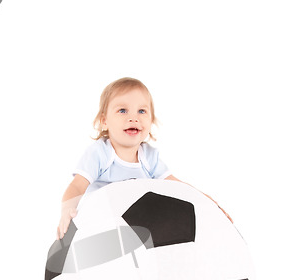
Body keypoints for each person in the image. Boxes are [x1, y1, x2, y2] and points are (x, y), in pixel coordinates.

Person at [57, 77, 232, 240]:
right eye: (122, 110)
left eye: (142, 111)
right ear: (104, 121)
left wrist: (208, 201)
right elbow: (78, 185)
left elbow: (177, 186)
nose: (133, 118)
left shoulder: (149, 157)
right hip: (101, 223)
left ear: (151, 120)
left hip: (138, 228)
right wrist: (67, 209)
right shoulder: (100, 153)